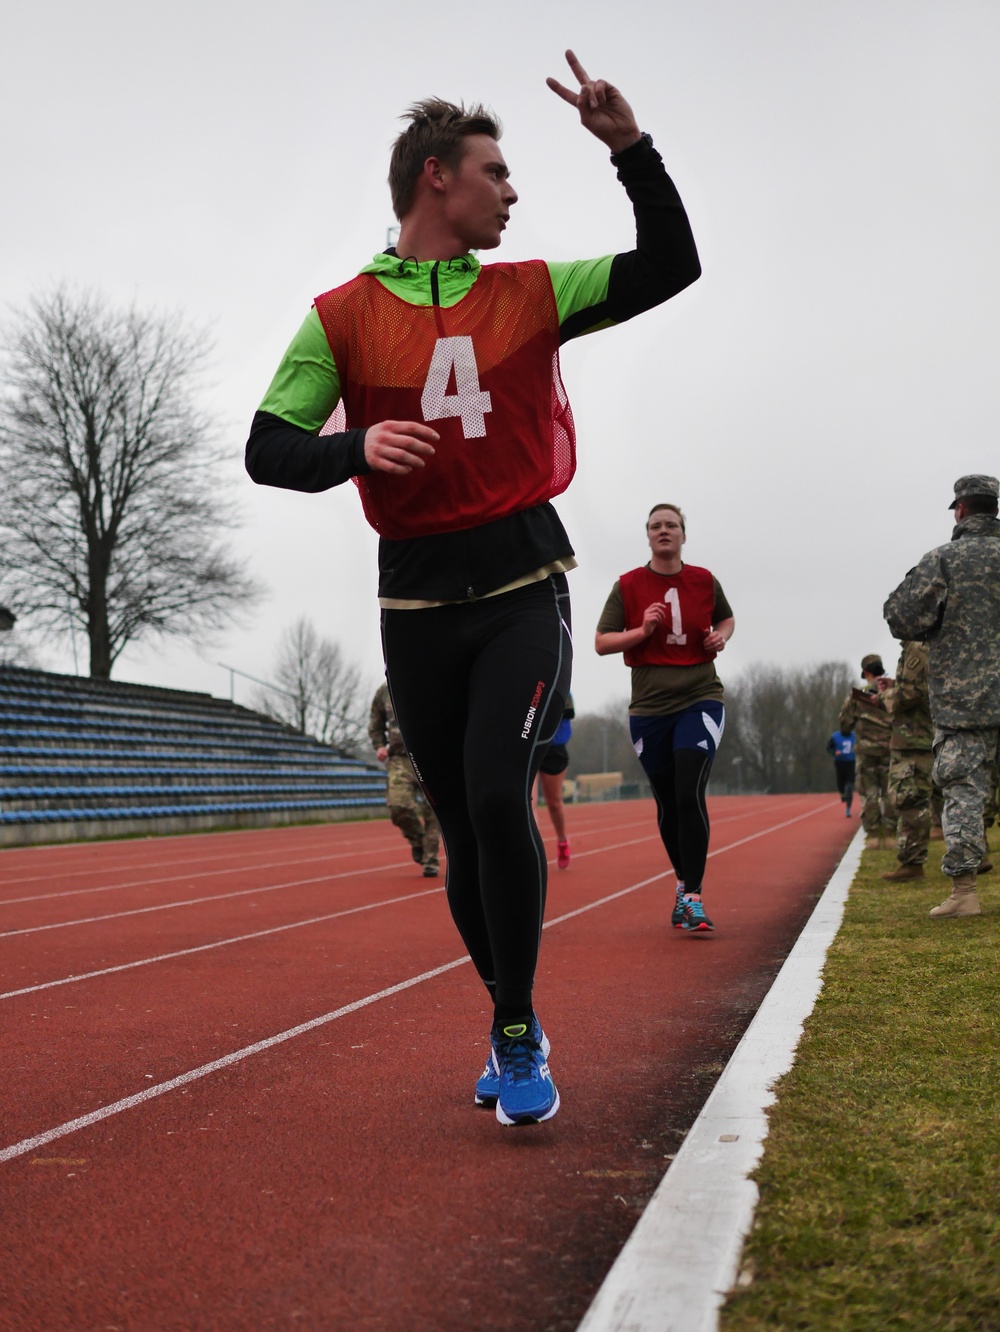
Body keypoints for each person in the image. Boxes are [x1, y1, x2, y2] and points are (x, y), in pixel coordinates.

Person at [245, 52, 701, 1126]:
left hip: (520, 582)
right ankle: (512, 1013)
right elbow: (268, 448)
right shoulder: (342, 316)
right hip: (412, 603)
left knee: (500, 797)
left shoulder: (531, 290)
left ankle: (513, 1033)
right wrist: (354, 447)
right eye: (495, 172)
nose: (511, 191)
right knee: (457, 819)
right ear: (436, 177)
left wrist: (631, 150)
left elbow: (672, 263)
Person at [595, 504, 734, 932]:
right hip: (650, 708)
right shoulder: (628, 585)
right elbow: (601, 642)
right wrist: (642, 631)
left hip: (699, 697)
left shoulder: (704, 580)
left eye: (671, 525)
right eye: (656, 526)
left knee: (689, 789)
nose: (664, 531)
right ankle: (682, 884)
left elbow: (726, 619)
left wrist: (720, 637)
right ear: (648, 536)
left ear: (683, 535)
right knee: (668, 802)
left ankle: (693, 895)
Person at [884, 473, 1000, 919]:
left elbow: (900, 617)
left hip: (963, 700)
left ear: (961, 509)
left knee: (964, 791)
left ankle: (965, 892)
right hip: (967, 700)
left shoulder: (944, 560)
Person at [368, 682, 440, 877]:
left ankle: (431, 860)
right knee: (398, 807)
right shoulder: (385, 691)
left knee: (433, 812)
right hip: (400, 759)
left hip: (431, 757)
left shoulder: (433, 685)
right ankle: (418, 841)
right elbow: (375, 724)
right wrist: (379, 746)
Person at [876, 642, 934, 882]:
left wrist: (884, 696)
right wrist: (895, 687)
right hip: (922, 737)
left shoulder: (917, 648)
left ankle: (912, 862)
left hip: (914, 739)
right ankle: (974, 855)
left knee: (909, 799)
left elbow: (910, 694)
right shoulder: (925, 645)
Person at [838, 656, 894, 849]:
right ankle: (890, 834)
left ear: (867, 673)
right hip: (891, 748)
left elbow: (845, 723)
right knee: (889, 792)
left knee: (868, 793)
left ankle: (872, 837)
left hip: (866, 751)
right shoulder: (893, 690)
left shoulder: (858, 695)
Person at [537, 696, 574, 869]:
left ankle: (562, 840)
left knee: (554, 803)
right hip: (527, 745)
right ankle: (532, 851)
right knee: (527, 802)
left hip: (554, 747)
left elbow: (568, 712)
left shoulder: (560, 680)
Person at [826, 727, 856, 816]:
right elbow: (828, 748)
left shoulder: (855, 736)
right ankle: (842, 793)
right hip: (839, 763)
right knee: (840, 782)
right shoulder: (835, 736)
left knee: (850, 785)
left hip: (851, 762)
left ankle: (848, 808)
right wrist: (834, 752)